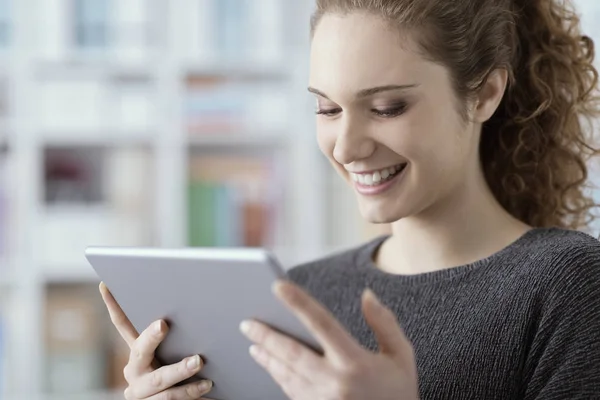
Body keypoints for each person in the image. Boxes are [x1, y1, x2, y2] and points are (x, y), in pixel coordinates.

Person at [99, 0, 600, 398]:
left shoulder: (569, 287)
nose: (345, 146)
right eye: (327, 108)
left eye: (386, 107)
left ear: (485, 93)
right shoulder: (299, 296)